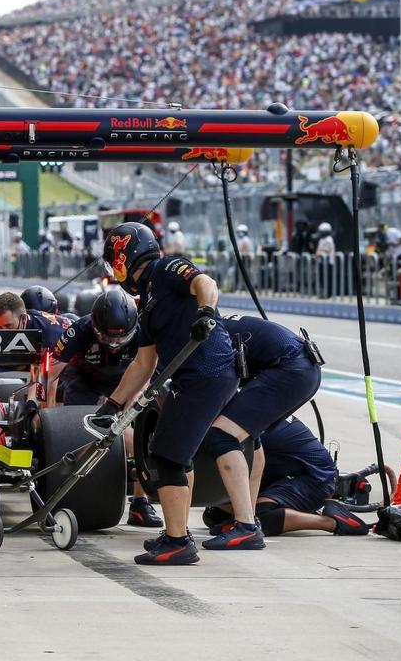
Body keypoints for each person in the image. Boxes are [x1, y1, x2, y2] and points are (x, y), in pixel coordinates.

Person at [97, 222, 237, 565]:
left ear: (125, 254)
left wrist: (205, 313)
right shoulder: (146, 303)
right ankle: (177, 532)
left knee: (167, 457)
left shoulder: (167, 267)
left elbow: (205, 283)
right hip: (189, 379)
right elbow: (143, 365)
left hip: (208, 370)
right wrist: (113, 404)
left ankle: (178, 542)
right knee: (169, 452)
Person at [198, 315, 324, 550]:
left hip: (291, 367)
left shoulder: (199, 333)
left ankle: (246, 526)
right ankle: (248, 519)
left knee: (221, 436)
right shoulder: (208, 322)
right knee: (249, 436)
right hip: (302, 367)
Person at [52, 289, 162, 528]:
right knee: (76, 433)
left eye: (120, 339)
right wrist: (46, 413)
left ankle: (140, 503)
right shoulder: (78, 330)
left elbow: (149, 370)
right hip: (84, 379)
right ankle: (72, 491)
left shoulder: (145, 330)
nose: (113, 344)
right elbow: (51, 370)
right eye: (107, 338)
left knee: (144, 437)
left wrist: (131, 403)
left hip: (127, 380)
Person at [202, 416, 368, 537]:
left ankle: (332, 522)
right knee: (215, 516)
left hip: (313, 478)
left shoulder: (232, 420)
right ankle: (305, 510)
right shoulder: (239, 405)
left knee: (255, 519)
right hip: (283, 472)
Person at [0, 291, 71, 404]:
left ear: (22, 318)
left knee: (50, 402)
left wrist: (31, 404)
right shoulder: (21, 319)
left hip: (74, 358)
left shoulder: (47, 334)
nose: (3, 332)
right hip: (48, 356)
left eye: (8, 326)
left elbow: (45, 383)